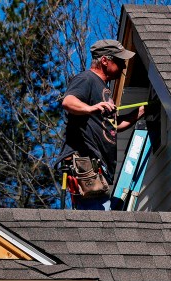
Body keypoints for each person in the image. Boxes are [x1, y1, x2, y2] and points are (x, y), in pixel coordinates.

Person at [58, 39, 144, 210]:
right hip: (86, 167)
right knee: (96, 219)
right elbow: (68, 101)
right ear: (105, 60)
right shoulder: (86, 79)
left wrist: (141, 112)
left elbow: (112, 126)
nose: (124, 66)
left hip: (99, 170)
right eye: (120, 61)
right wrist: (91, 108)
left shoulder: (103, 88)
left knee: (102, 214)